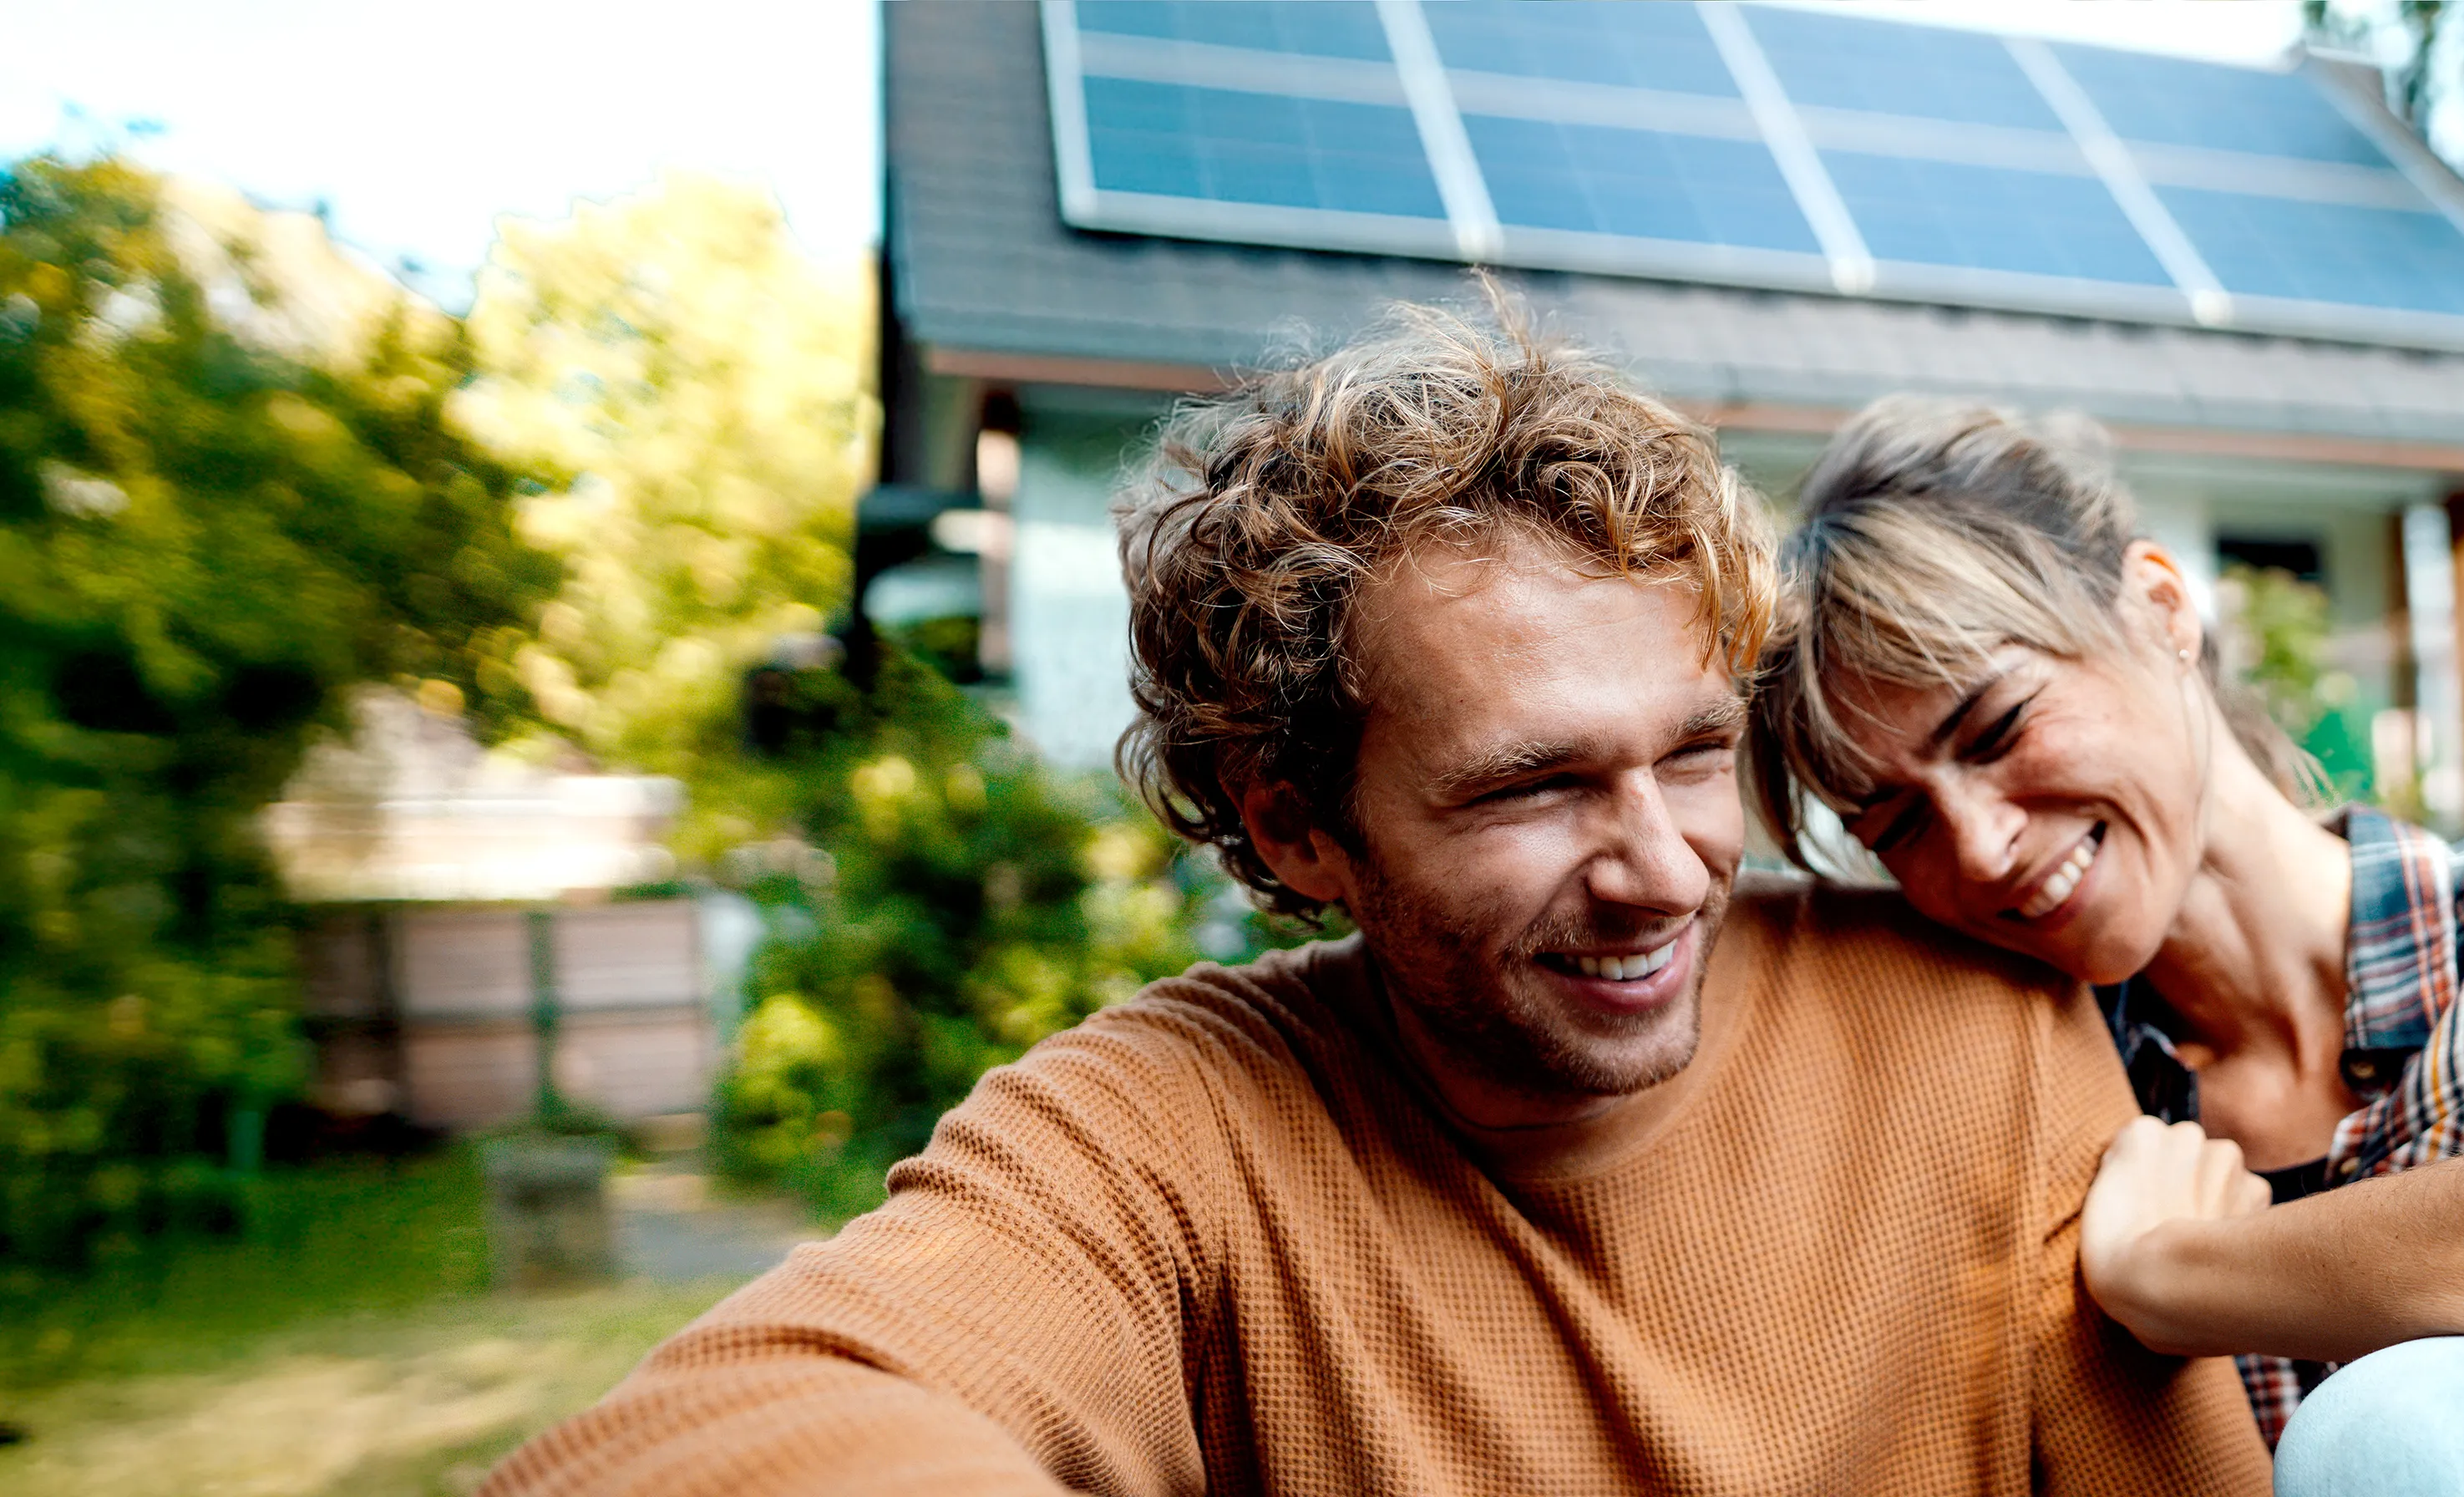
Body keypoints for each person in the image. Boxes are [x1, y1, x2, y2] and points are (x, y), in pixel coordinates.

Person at [482, 312, 2269, 1495]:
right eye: (1531, 785)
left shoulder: (1982, 1029)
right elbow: (726, 1433)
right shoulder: (1177, 1126)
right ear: (1297, 823)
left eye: (1692, 753)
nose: (1659, 865)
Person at [1745, 398, 2464, 1497]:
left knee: (2407, 1427)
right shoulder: (2042, 1092)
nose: (1982, 846)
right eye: (1895, 825)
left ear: (2158, 606)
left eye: (1998, 727)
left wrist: (2168, 1277)